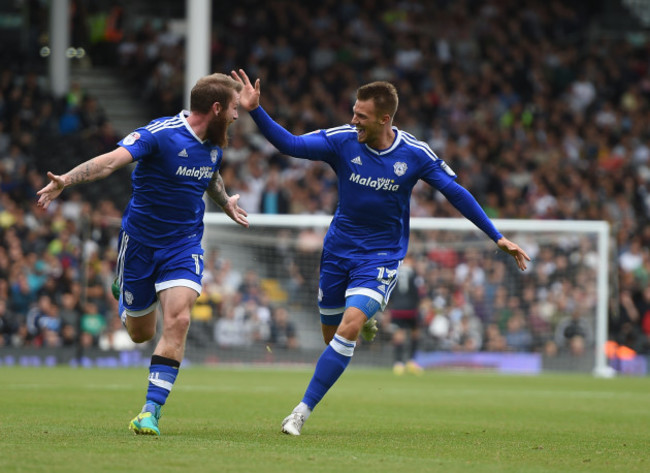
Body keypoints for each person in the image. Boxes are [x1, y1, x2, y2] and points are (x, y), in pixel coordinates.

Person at [232, 69, 530, 436]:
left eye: (361, 116)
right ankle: (366, 320)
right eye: (353, 112)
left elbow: (455, 192)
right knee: (333, 336)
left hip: (380, 257)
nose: (353, 119)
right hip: (338, 251)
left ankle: (300, 412)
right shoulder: (342, 140)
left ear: (384, 119)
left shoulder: (414, 154)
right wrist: (256, 111)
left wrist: (495, 235)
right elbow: (290, 145)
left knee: (348, 326)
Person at [36, 73, 249, 436]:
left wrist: (225, 201)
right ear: (215, 108)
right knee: (140, 333)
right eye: (232, 108)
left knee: (179, 320)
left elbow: (209, 174)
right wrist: (66, 181)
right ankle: (124, 286)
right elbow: (108, 163)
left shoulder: (215, 143)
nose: (236, 116)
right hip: (140, 244)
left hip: (183, 244)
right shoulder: (160, 134)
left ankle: (150, 410)